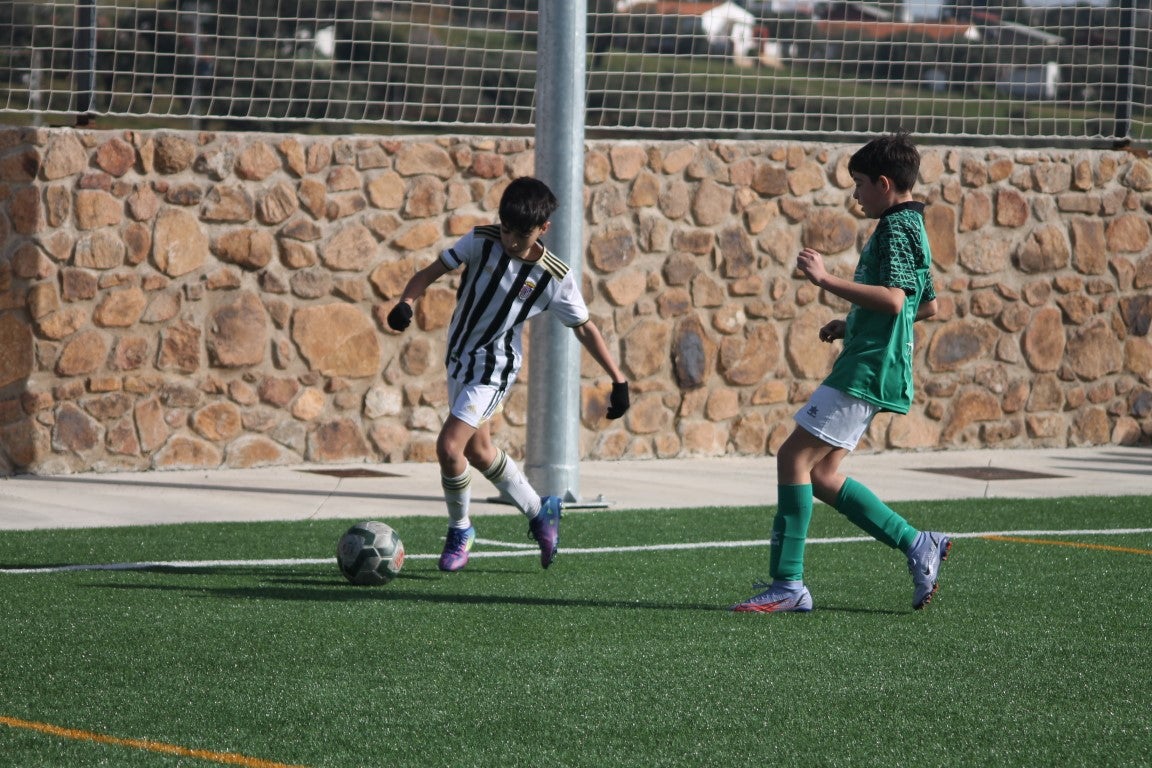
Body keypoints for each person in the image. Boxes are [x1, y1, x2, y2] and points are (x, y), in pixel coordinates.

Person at [732, 132, 949, 613]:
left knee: (792, 458)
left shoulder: (894, 229)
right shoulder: (914, 226)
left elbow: (895, 301)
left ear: (885, 183)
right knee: (824, 475)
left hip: (868, 368)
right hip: (878, 363)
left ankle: (788, 585)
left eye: (859, 185)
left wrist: (827, 280)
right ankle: (918, 544)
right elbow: (926, 305)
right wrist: (851, 321)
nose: (856, 195)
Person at [386, 177, 630, 572]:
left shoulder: (554, 276)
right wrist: (406, 303)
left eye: (521, 234)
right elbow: (429, 273)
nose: (511, 241)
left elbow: (585, 327)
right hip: (459, 359)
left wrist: (618, 379)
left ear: (543, 230)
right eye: (506, 229)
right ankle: (539, 511)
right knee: (478, 452)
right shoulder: (481, 240)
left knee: (450, 447)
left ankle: (460, 529)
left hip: (494, 368)